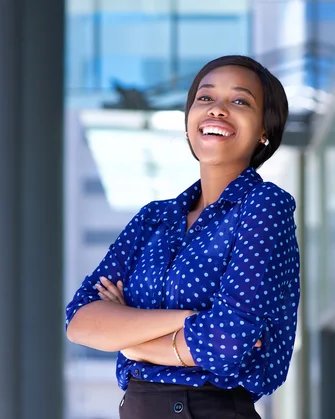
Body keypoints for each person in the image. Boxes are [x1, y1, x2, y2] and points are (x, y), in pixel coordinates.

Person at [65, 55, 301, 419]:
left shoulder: (264, 207)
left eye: (240, 101)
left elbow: (229, 342)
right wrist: (191, 318)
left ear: (264, 130)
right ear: (189, 122)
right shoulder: (154, 218)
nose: (218, 110)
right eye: (205, 99)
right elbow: (80, 320)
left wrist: (129, 339)